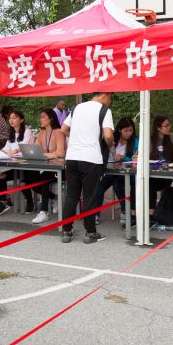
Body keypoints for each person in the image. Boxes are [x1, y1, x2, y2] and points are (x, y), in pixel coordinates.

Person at [60, 92, 114, 244]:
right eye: (110, 97)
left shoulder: (77, 108)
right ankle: (90, 232)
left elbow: (63, 129)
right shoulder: (104, 110)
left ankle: (66, 231)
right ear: (105, 95)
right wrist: (110, 144)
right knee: (89, 195)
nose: (110, 101)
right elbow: (108, 135)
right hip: (91, 158)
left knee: (72, 195)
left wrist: (77, 137)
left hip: (72, 157)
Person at [0, 110, 36, 216]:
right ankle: (3, 202)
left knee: (23, 183)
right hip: (15, 166)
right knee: (1, 175)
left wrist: (14, 151)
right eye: (10, 118)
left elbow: (24, 146)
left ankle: (30, 201)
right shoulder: (11, 133)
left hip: (27, 166)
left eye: (15, 117)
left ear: (21, 120)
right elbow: (6, 149)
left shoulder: (27, 131)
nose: (11, 120)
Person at [23, 108, 65, 223]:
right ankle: (54, 198)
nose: (40, 119)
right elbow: (35, 149)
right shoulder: (42, 132)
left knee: (43, 179)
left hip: (59, 169)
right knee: (28, 179)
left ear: (50, 119)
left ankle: (44, 212)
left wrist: (44, 154)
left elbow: (61, 153)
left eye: (43, 117)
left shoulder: (58, 132)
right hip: (45, 167)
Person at [98, 116, 138, 227]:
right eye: (126, 131)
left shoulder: (135, 142)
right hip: (112, 171)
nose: (129, 133)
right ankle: (95, 214)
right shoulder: (112, 139)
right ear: (120, 130)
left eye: (131, 130)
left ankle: (125, 212)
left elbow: (135, 160)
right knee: (100, 187)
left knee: (117, 184)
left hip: (128, 174)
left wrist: (123, 157)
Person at [149, 115, 173, 217]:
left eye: (169, 124)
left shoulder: (172, 138)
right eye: (166, 125)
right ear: (158, 128)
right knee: (143, 182)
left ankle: (151, 215)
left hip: (166, 176)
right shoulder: (149, 140)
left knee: (149, 184)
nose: (169, 127)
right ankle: (133, 214)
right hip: (152, 174)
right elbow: (140, 155)